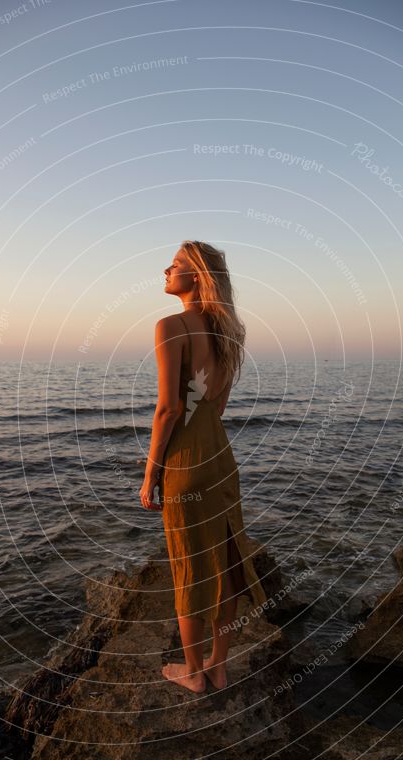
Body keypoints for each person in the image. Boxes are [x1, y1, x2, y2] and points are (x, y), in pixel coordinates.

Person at [139, 240, 266, 693]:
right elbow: (217, 406)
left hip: (187, 464)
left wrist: (152, 470)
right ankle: (218, 665)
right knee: (226, 563)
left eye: (174, 265)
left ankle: (192, 672)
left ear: (197, 276)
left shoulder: (170, 326)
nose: (165, 270)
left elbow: (169, 410)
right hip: (220, 459)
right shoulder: (228, 334)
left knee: (189, 567)